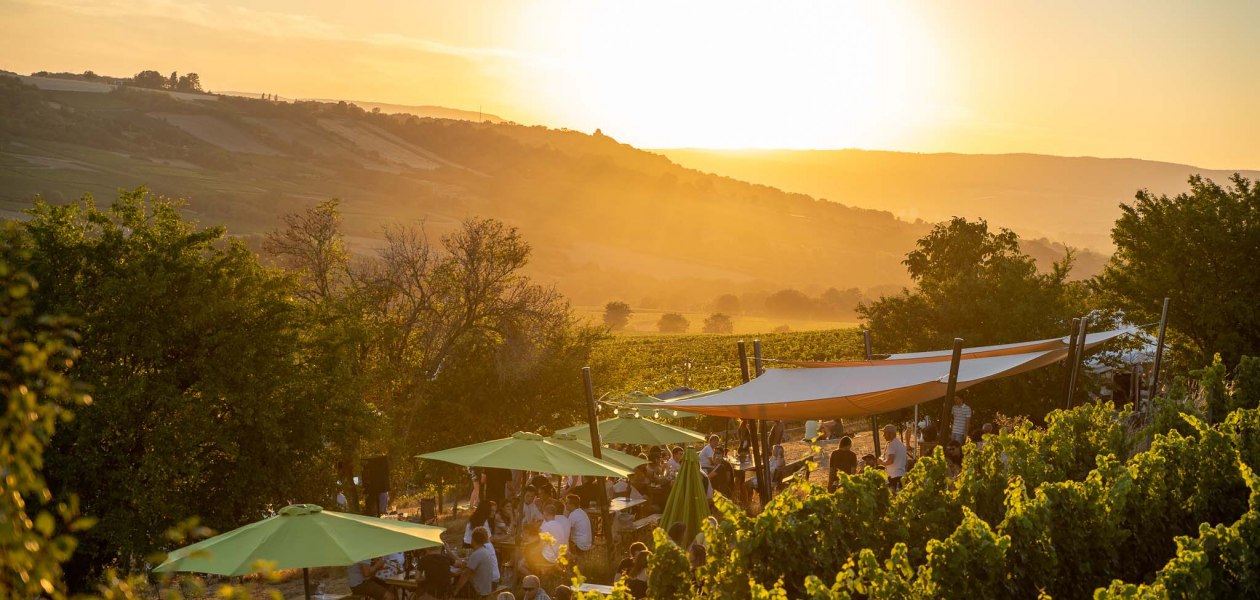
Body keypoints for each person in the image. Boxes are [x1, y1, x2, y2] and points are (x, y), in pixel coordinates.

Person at [460, 526, 498, 599]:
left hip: (485, 587)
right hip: (490, 583)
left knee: (462, 577)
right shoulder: (486, 548)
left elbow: (466, 573)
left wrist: (456, 591)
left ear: (474, 540)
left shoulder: (480, 551)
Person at [880, 424, 907, 492]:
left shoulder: (891, 445)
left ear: (891, 434)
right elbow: (906, 461)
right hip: (901, 476)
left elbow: (890, 461)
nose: (883, 435)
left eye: (885, 433)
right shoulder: (901, 444)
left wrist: (881, 462)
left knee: (893, 497)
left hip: (893, 477)